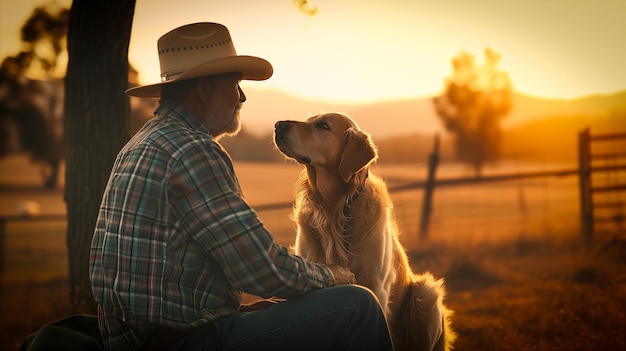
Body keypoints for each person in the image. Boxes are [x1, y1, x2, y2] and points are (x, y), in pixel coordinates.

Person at [89, 22, 394, 351]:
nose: (243, 96)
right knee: (357, 305)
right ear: (204, 89)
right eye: (235, 84)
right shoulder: (195, 151)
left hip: (132, 339)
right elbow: (262, 271)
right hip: (186, 342)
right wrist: (333, 276)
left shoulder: (137, 145)